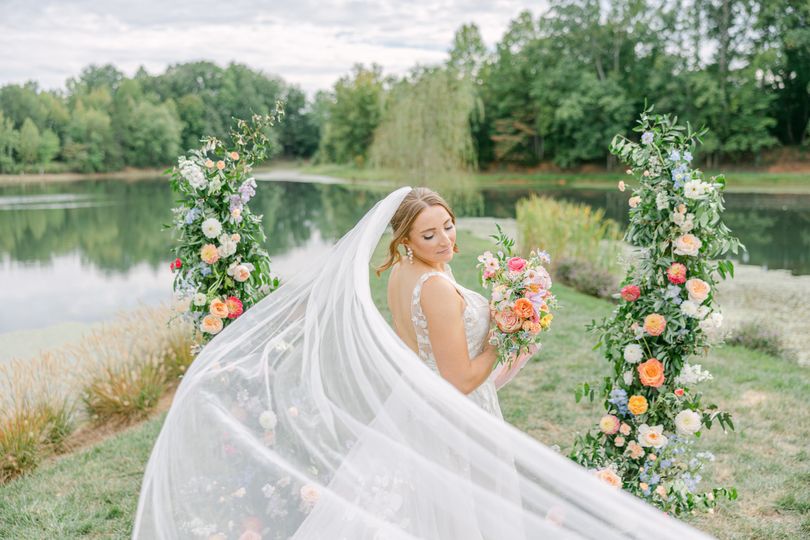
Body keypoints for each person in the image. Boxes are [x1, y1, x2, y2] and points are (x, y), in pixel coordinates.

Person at [133, 186, 713, 539]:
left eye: (449, 225)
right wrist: (505, 339)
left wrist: (514, 353)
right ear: (406, 238)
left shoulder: (405, 278)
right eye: (429, 232)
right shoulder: (434, 288)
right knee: (459, 518)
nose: (445, 238)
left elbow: (439, 367)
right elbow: (460, 379)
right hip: (452, 421)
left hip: (415, 410)